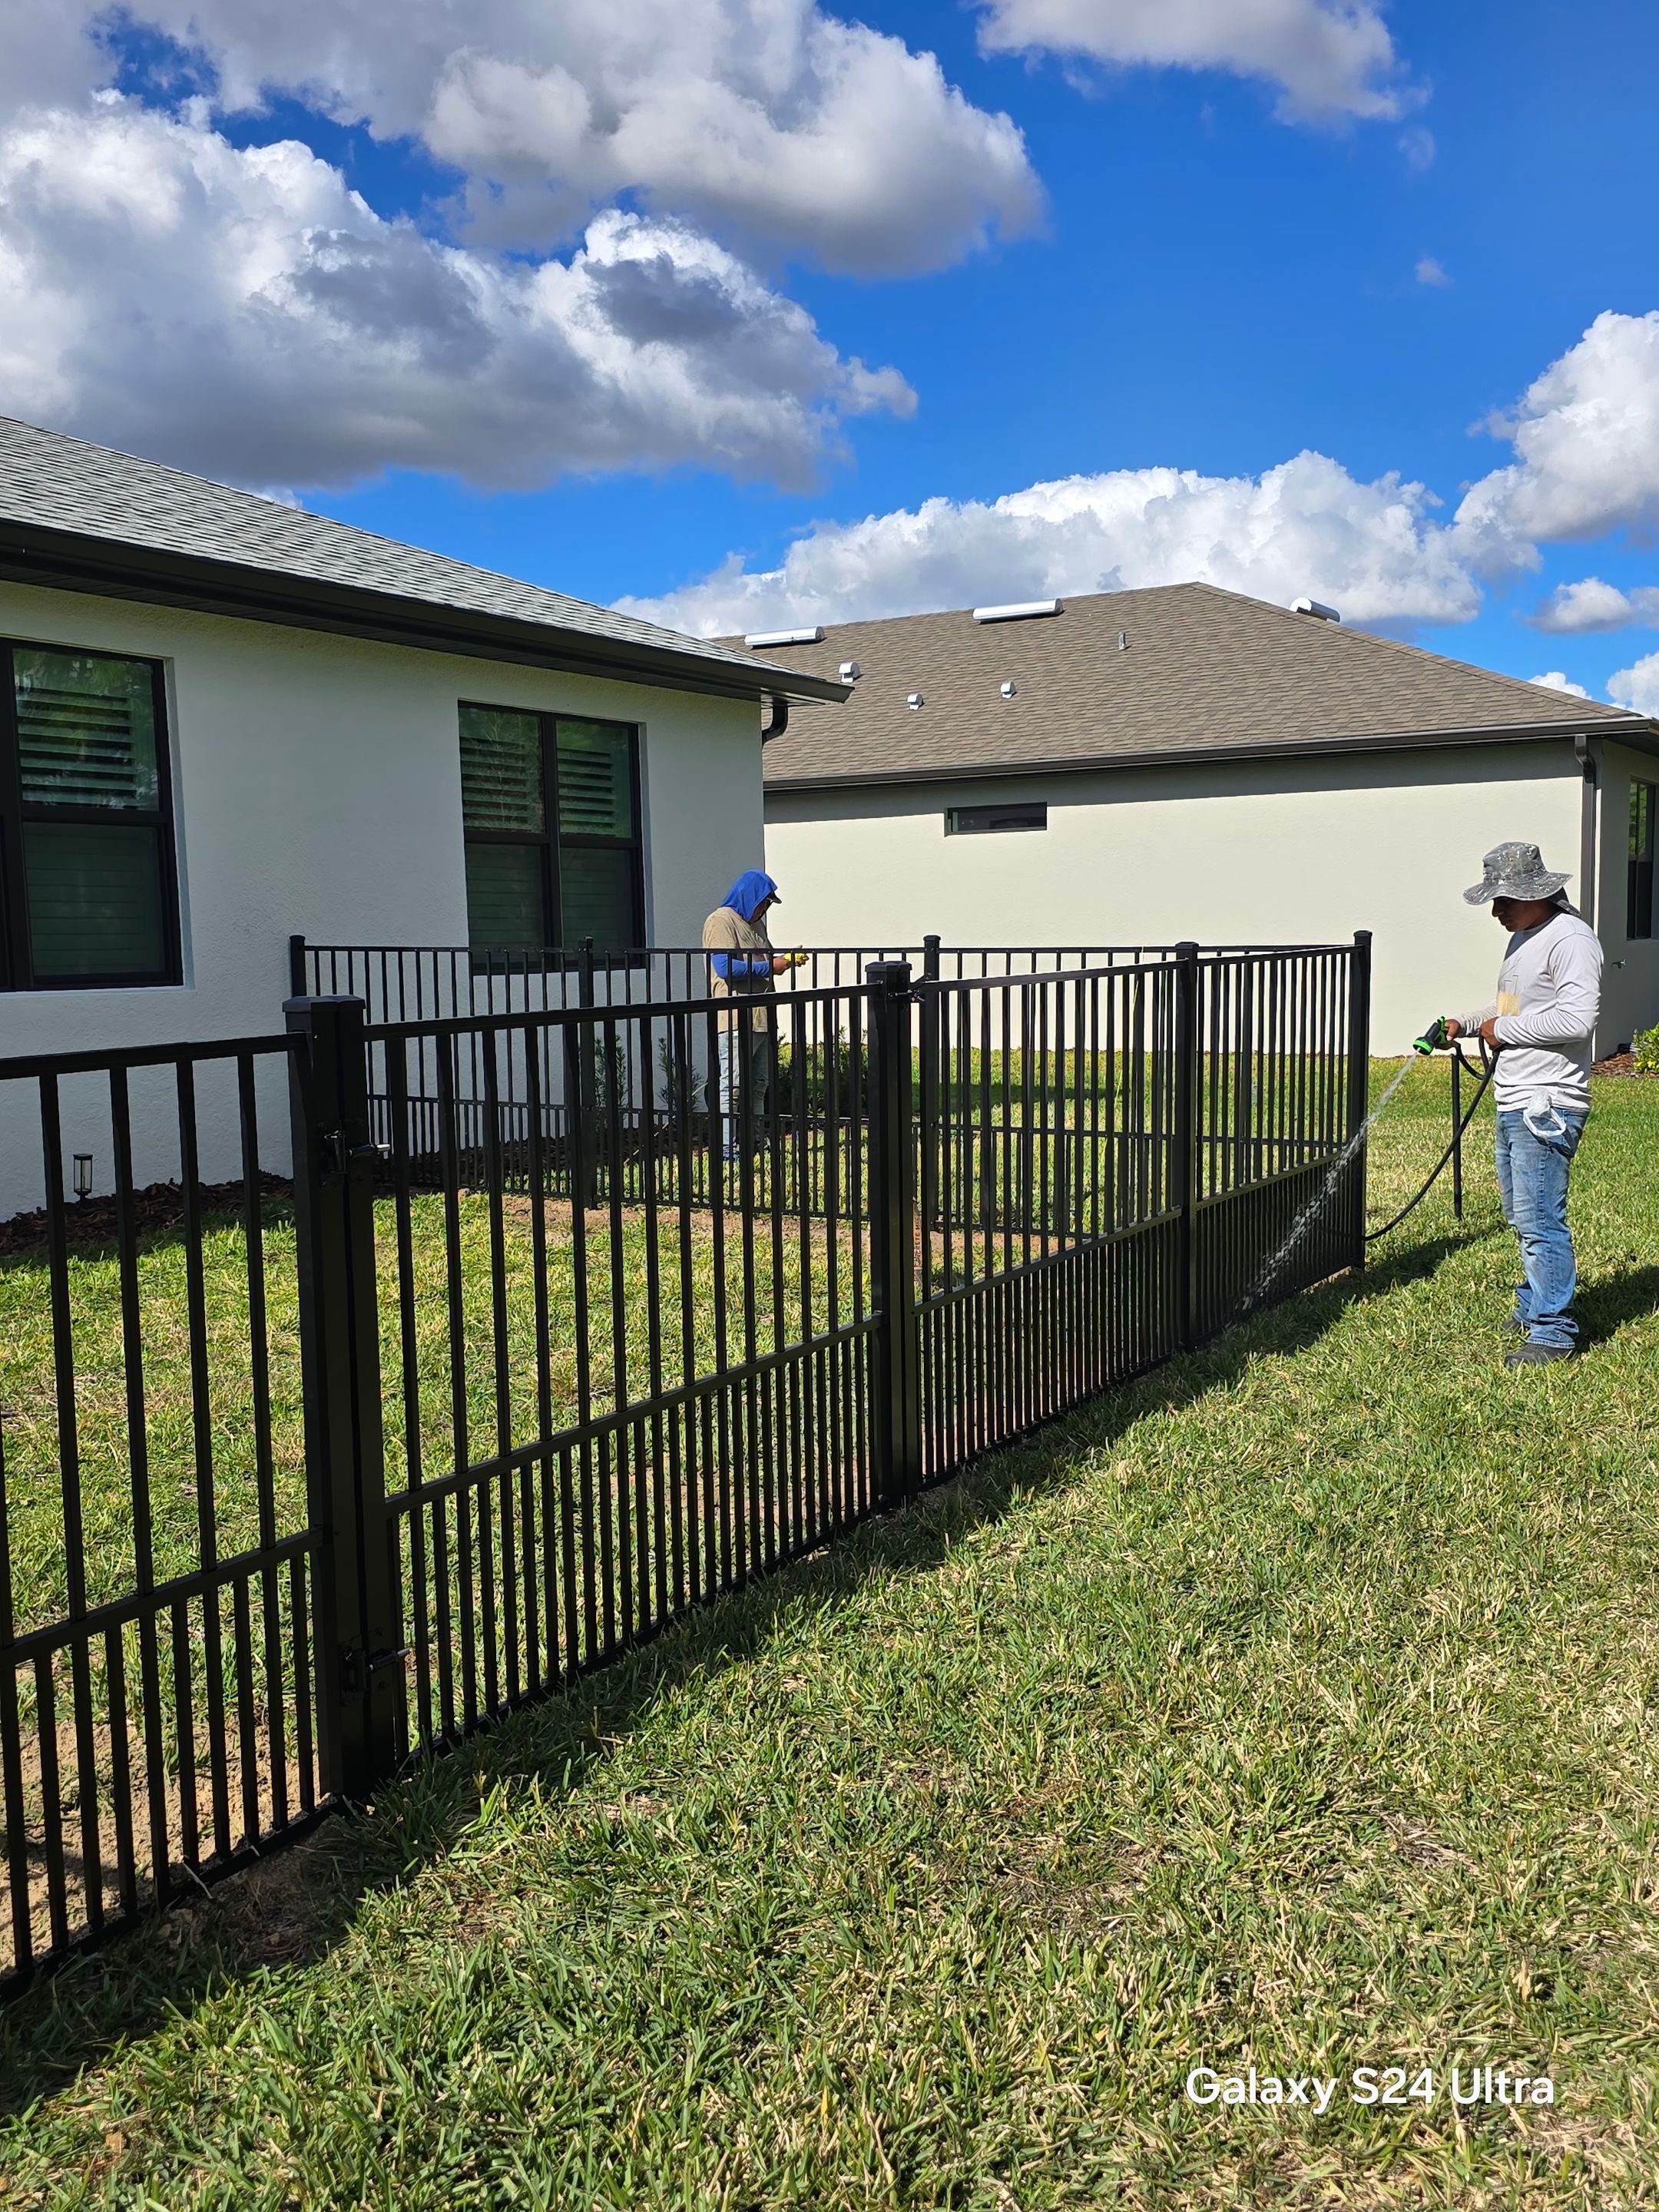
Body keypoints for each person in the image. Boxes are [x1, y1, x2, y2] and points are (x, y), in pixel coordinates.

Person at [1445, 841, 1603, 1366]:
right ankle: (1536, 1301)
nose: (1496, 910)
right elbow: (1513, 1007)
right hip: (1515, 1098)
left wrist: (1502, 1029)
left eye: (1504, 898)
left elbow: (1578, 1020)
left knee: (1540, 1219)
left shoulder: (1572, 939)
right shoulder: (1525, 939)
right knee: (1521, 1212)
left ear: (1537, 892)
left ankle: (1553, 1332)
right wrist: (1466, 1024)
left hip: (1548, 1101)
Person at [701, 871, 803, 1160]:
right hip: (735, 1016)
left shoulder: (756, 924)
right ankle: (727, 1149)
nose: (764, 909)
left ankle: (755, 1144)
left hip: (762, 1015)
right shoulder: (721, 921)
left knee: (759, 1085)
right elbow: (725, 969)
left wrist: (784, 961)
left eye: (768, 905)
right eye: (763, 902)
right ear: (748, 896)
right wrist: (773, 966)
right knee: (732, 1086)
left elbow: (762, 961)